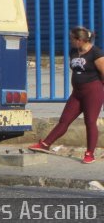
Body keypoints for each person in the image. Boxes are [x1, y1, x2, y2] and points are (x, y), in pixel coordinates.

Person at [29, 26, 104, 164]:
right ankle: (45, 144)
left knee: (90, 122)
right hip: (77, 92)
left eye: (72, 39)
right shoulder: (73, 52)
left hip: (93, 91)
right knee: (64, 120)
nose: (70, 41)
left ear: (80, 40)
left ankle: (89, 154)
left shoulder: (96, 53)